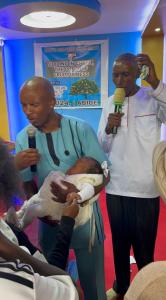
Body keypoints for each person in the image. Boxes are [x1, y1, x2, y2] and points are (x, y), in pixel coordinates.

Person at [15, 76, 109, 300]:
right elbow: (28, 184)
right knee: (54, 283)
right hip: (49, 224)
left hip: (85, 220)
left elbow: (104, 174)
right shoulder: (23, 138)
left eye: (34, 104)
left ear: (51, 102)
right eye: (24, 105)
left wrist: (78, 196)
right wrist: (41, 206)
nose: (28, 111)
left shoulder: (80, 129)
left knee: (93, 285)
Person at [98, 53, 166, 299]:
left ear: (137, 74)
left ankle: (146, 289)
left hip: (145, 188)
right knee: (118, 245)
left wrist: (156, 82)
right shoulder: (109, 103)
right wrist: (109, 128)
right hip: (116, 186)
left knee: (144, 248)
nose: (119, 79)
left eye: (125, 74)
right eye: (115, 74)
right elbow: (102, 146)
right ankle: (121, 287)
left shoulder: (151, 98)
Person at [0, 139, 81, 299]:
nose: (29, 112)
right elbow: (69, 289)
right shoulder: (16, 279)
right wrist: (67, 222)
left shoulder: (8, 228)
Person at [15, 157, 108, 235]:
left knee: (33, 209)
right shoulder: (70, 176)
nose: (71, 167)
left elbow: (89, 189)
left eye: (75, 166)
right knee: (32, 200)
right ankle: (20, 212)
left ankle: (21, 224)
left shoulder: (83, 180)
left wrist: (79, 195)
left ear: (85, 174)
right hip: (45, 197)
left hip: (52, 208)